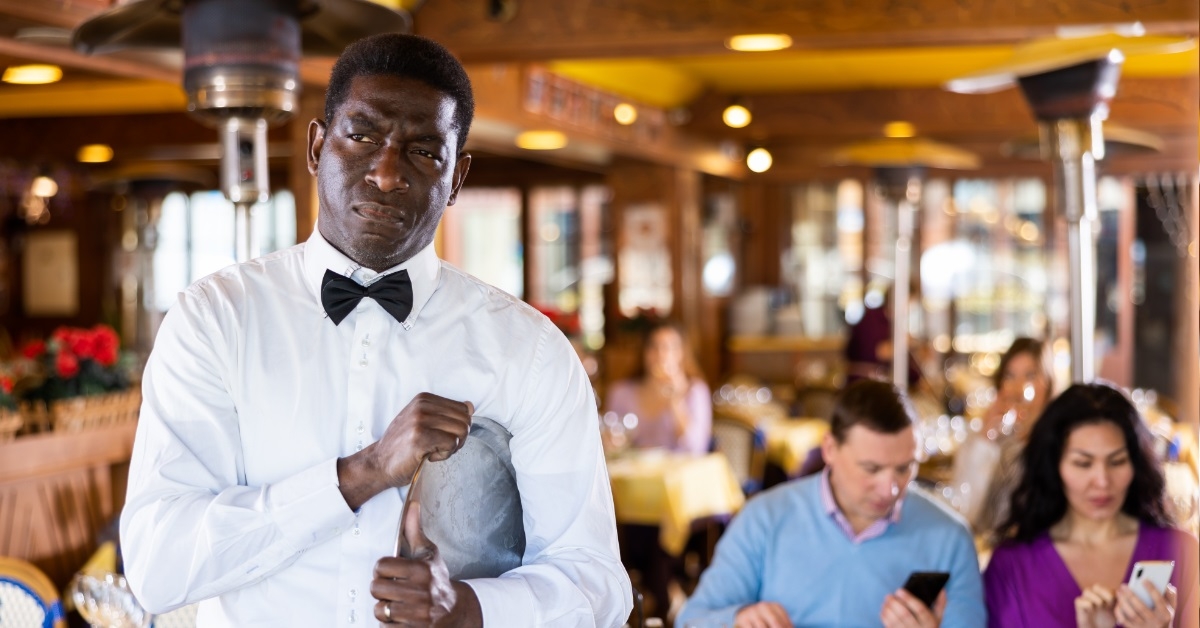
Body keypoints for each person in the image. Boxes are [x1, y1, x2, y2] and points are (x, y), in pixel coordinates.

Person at [120, 33, 631, 627]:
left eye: (423, 152)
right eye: (361, 136)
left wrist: (469, 608)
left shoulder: (530, 352)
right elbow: (159, 565)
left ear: (457, 178)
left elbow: (596, 582)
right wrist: (359, 475)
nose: (387, 175)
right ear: (317, 146)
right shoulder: (215, 320)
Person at [676, 379, 987, 628]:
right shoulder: (764, 518)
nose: (890, 487)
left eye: (905, 468)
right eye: (871, 469)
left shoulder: (949, 536)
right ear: (830, 449)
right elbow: (692, 619)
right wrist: (738, 619)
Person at [983, 383, 1199, 628]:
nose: (1102, 481)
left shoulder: (1181, 551)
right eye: (1083, 464)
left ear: (1136, 464)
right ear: (1054, 467)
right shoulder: (1012, 567)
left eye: (1117, 461)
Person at [950, 337, 1053, 532]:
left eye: (1030, 376)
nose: (1018, 388)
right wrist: (985, 439)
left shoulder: (1056, 442)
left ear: (1047, 382)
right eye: (1010, 376)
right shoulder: (989, 439)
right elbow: (964, 509)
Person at [605, 322, 711, 455]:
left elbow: (696, 448)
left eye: (669, 347)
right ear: (644, 352)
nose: (661, 354)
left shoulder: (696, 391)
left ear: (682, 353)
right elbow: (611, 440)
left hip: (677, 472)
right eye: (654, 347)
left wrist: (675, 400)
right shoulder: (621, 392)